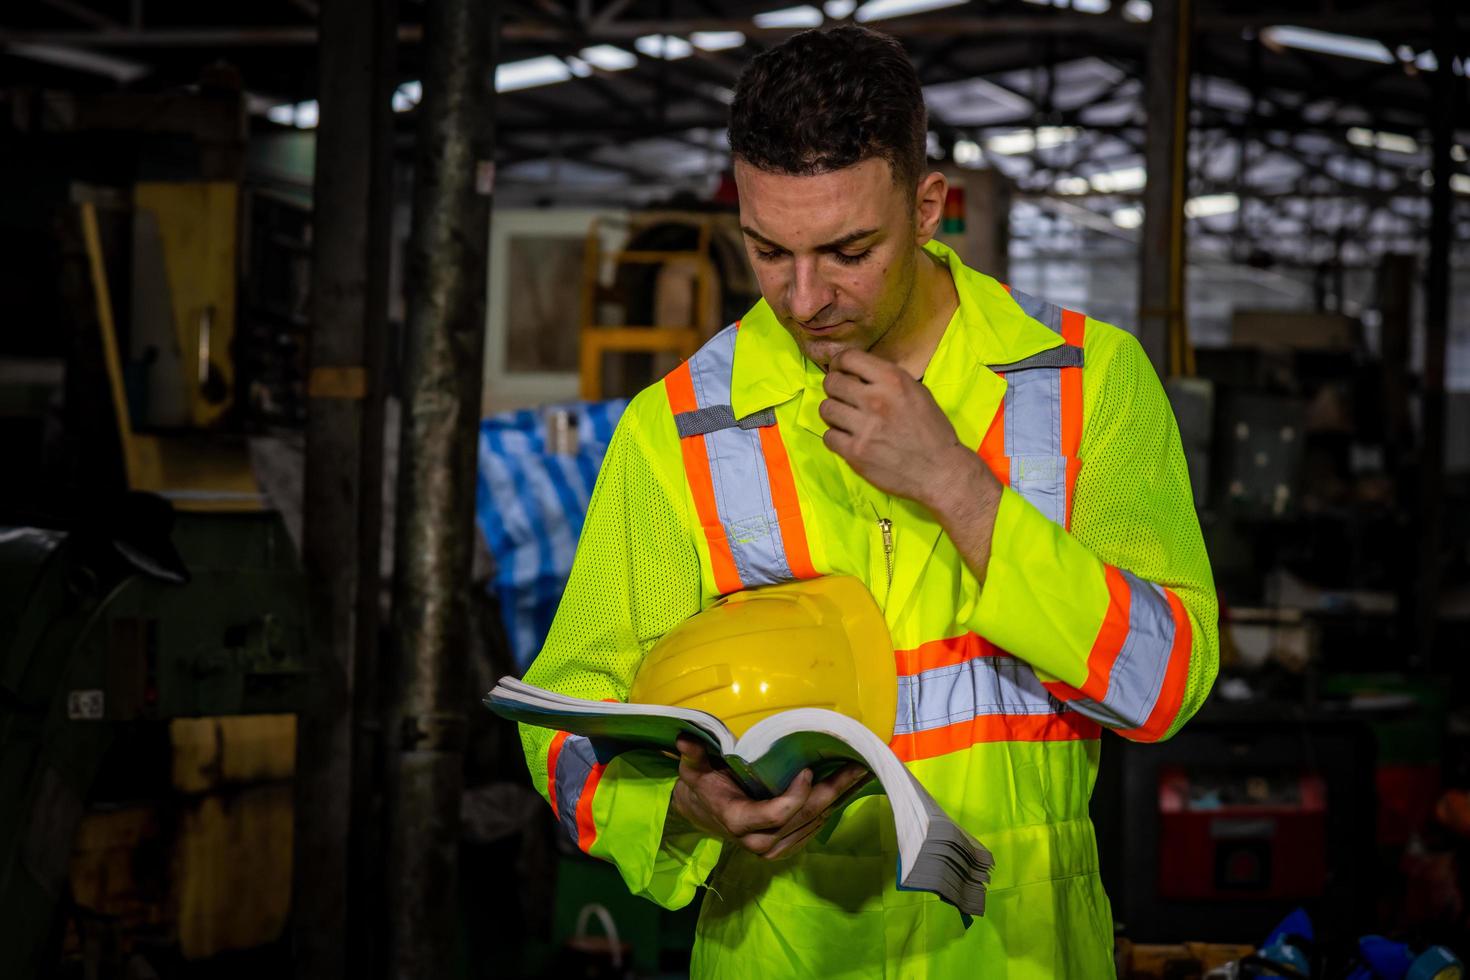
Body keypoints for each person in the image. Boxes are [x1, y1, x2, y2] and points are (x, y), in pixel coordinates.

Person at [519, 24, 1218, 978]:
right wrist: (682, 807)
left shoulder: (1086, 384)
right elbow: (565, 716)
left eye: (849, 251)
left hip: (1018, 955)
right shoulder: (678, 427)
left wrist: (958, 486)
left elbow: (1166, 683)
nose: (805, 299)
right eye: (769, 251)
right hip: (784, 953)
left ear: (929, 206)